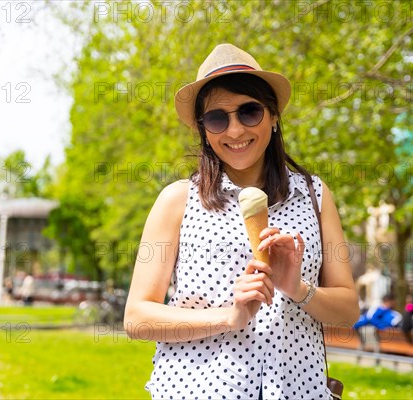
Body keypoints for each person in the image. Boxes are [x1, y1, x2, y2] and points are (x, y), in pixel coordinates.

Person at [124, 43, 360, 398]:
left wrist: (298, 289)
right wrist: (228, 317)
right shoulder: (177, 200)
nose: (234, 130)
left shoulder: (315, 196)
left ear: (274, 116)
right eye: (218, 118)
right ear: (204, 129)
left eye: (249, 112)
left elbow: (348, 310)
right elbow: (137, 319)